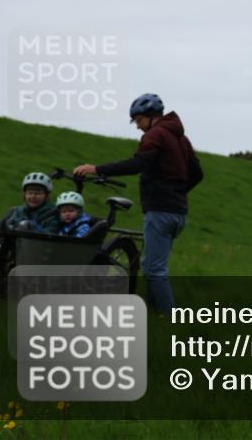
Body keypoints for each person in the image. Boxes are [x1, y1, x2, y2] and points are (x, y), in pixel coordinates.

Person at [74, 93, 203, 312]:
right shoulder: (181, 138)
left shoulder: (156, 134)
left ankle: (170, 322)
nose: (138, 127)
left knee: (154, 270)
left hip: (161, 211)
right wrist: (176, 191)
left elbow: (138, 164)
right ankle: (154, 313)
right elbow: (197, 174)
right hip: (178, 213)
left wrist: (97, 169)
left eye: (138, 120)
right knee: (152, 265)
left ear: (151, 116)